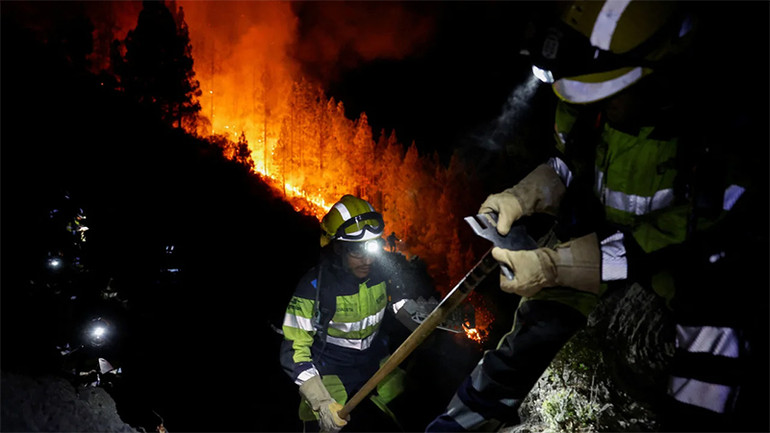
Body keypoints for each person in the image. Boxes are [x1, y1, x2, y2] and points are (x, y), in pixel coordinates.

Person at [427, 1, 765, 431]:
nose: (598, 107)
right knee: (529, 337)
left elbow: (670, 241)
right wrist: (521, 196)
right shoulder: (589, 89)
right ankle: (455, 425)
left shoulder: (723, 137)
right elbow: (569, 162)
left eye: (611, 96)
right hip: (593, 250)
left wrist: (554, 265)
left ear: (657, 76)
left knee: (698, 376)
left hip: (684, 285)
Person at [280, 194, 409, 432]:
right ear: (338, 249)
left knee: (407, 410)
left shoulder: (383, 275)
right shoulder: (313, 288)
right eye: (357, 251)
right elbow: (293, 352)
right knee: (330, 426)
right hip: (330, 372)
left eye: (372, 248)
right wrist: (320, 402)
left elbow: (404, 309)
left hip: (376, 366)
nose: (367, 259)